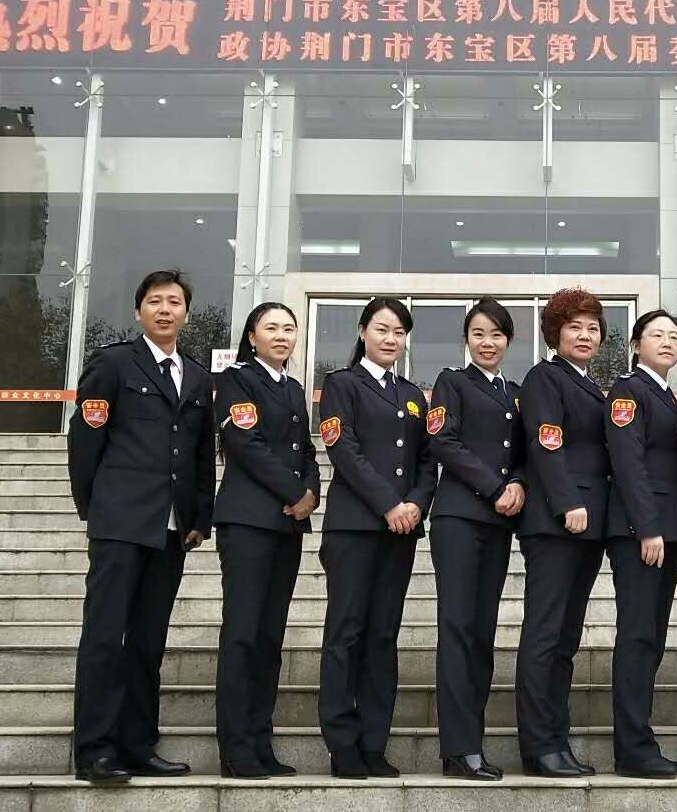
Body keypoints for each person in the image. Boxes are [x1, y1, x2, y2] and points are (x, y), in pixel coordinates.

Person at [66, 269, 214, 784]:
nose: (165, 309)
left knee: (149, 641)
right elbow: (85, 439)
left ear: (186, 313)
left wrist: (199, 517)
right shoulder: (112, 363)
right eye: (155, 301)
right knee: (106, 636)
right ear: (138, 311)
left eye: (174, 302)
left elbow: (201, 455)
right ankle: (95, 750)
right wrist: (96, 507)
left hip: (171, 529)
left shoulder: (197, 377)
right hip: (121, 522)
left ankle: (138, 745)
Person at [316, 297, 436, 779]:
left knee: (383, 636)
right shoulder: (341, 384)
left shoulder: (412, 393)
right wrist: (389, 503)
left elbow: (427, 458)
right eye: (382, 329)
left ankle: (373, 743)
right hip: (355, 526)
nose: (390, 339)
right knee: (345, 633)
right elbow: (342, 448)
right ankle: (343, 745)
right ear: (362, 331)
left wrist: (416, 504)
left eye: (399, 332)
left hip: (401, 530)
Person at [211, 302, 318, 779]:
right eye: (270, 328)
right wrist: (295, 493)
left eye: (288, 328)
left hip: (286, 525)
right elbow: (245, 443)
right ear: (252, 337)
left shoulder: (293, 388)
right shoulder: (237, 379)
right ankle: (236, 749)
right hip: (248, 521)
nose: (281, 336)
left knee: (270, 636)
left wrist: (312, 491)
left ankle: (260, 741)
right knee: (243, 634)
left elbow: (307, 449)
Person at [603, 309, 677, 780]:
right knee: (639, 636)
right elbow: (628, 463)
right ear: (635, 345)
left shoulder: (666, 395)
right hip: (641, 534)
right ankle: (632, 749)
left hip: (669, 530)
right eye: (657, 335)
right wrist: (647, 528)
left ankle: (639, 741)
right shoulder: (629, 391)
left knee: (652, 637)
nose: (667, 342)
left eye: (674, 337)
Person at [425, 298, 527, 781]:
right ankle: (458, 749)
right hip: (459, 519)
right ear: (466, 339)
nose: (488, 343)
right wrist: (495, 487)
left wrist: (520, 483)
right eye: (479, 334)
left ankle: (474, 744)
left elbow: (526, 451)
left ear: (509, 340)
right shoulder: (453, 382)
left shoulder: (515, 393)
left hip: (499, 523)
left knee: (482, 634)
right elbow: (443, 441)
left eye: (497, 334)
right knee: (459, 629)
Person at [515, 288, 611, 778]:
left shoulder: (592, 385)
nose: (585, 335)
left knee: (566, 638)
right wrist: (568, 501)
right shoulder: (544, 378)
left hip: (589, 526)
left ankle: (557, 740)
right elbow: (546, 443)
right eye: (575, 327)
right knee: (544, 634)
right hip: (557, 523)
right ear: (555, 333)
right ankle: (538, 746)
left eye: (593, 328)